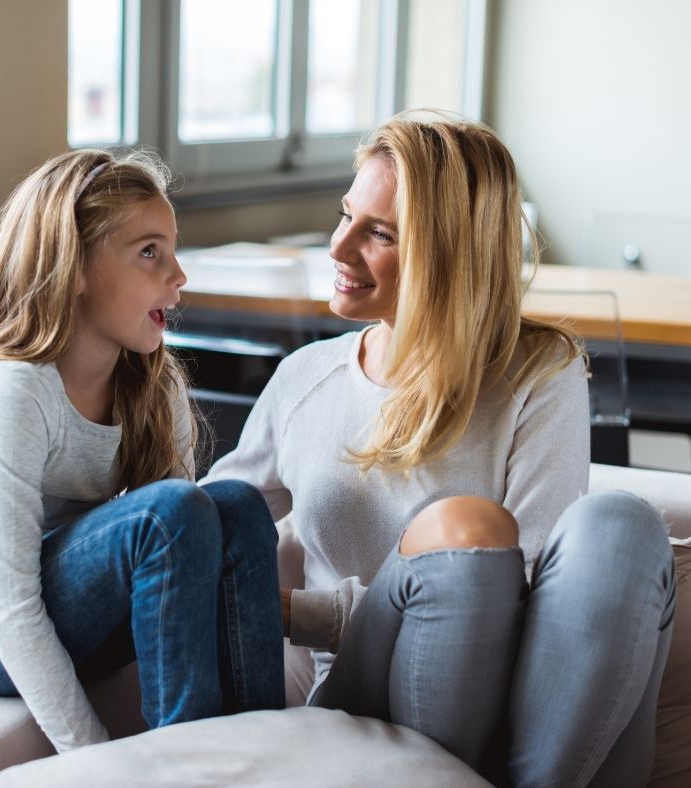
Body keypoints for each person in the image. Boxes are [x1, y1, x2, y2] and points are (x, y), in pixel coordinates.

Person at [204, 114, 675, 787]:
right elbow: (205, 526)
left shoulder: (542, 373)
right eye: (345, 216)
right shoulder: (306, 379)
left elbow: (542, 603)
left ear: (448, 253)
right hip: (376, 707)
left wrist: (306, 610)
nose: (337, 249)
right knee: (463, 533)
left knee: (620, 523)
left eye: (379, 234)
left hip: (536, 722)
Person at [0, 149, 285, 754]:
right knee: (167, 512)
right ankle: (178, 767)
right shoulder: (12, 391)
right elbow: (7, 603)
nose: (178, 276)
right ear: (73, 266)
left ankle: (264, 754)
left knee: (234, 505)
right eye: (150, 252)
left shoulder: (155, 383)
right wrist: (94, 760)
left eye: (172, 251)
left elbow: (193, 554)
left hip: (68, 607)